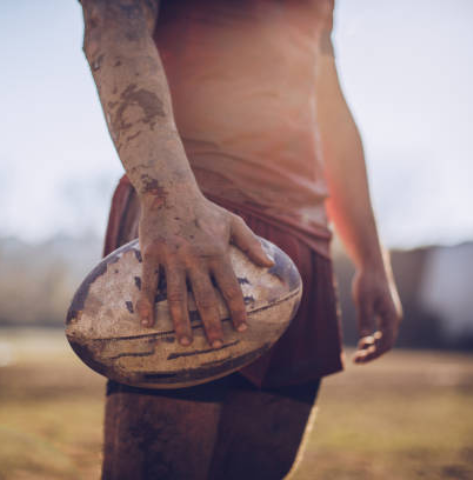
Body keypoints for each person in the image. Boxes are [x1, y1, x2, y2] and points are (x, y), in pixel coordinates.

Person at [77, 0, 402, 478]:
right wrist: (169, 196)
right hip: (199, 217)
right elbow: (113, 21)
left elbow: (326, 105)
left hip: (300, 247)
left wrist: (373, 260)